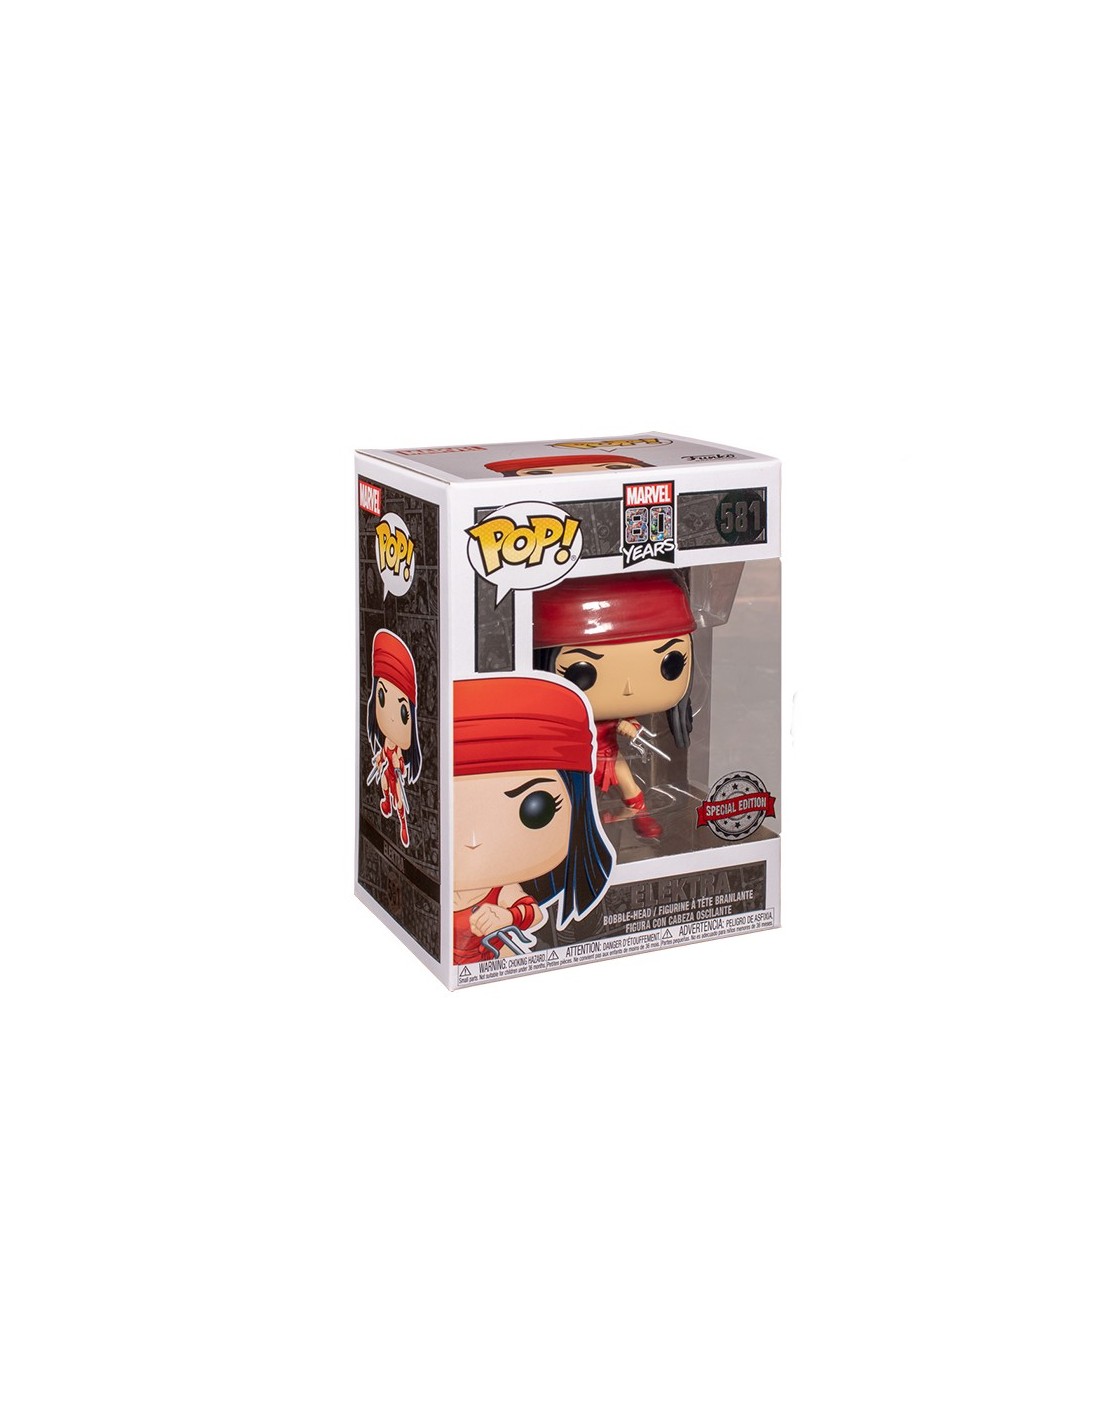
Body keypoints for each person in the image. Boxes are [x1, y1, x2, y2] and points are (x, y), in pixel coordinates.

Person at [453, 676, 614, 963]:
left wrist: (507, 916)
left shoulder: (500, 889)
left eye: (536, 810)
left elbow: (532, 912)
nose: (475, 841)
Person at [533, 571, 695, 839]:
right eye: (581, 671)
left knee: (629, 785)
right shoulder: (565, 715)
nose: (628, 688)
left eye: (671, 663)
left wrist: (628, 726)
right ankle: (574, 826)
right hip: (573, 758)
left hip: (609, 754)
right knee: (568, 793)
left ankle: (639, 814)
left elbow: (625, 723)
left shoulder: (616, 715)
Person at [366, 630, 421, 849]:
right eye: (381, 696)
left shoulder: (397, 749)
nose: (390, 717)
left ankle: (403, 823)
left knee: (399, 797)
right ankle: (386, 803)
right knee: (383, 785)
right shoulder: (386, 743)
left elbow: (398, 760)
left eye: (403, 712)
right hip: (387, 769)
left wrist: (398, 766)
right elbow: (382, 755)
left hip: (395, 772)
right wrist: (380, 759)